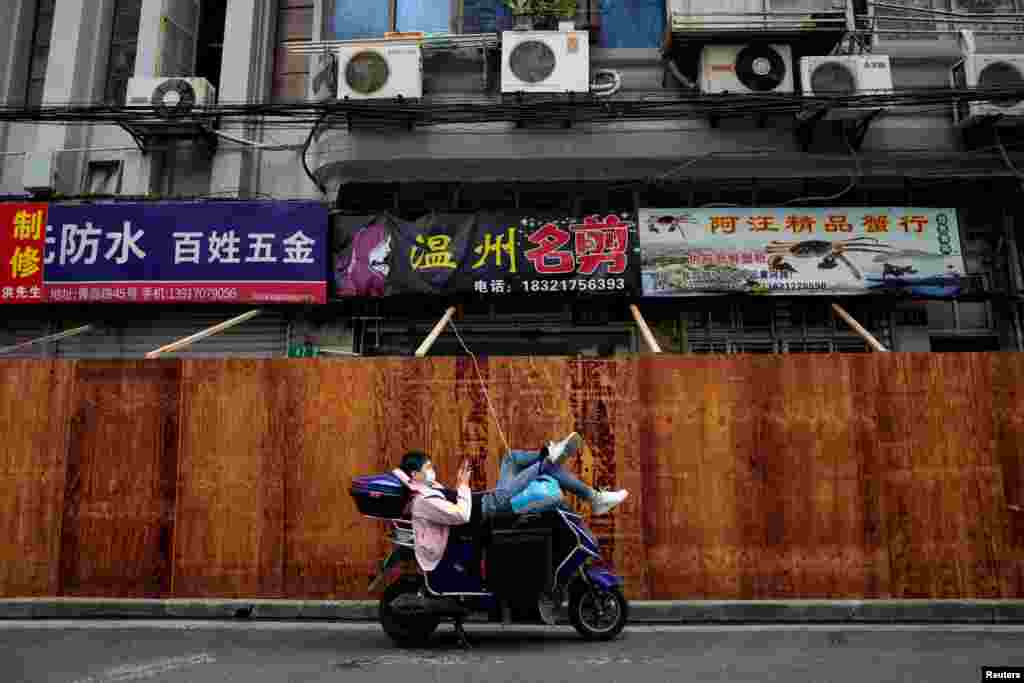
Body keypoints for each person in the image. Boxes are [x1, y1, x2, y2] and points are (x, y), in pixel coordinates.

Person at [393, 433, 628, 574]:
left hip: (488, 499)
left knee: (511, 459)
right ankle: (559, 466)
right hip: (489, 508)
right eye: (428, 468)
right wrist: (463, 485)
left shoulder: (425, 489)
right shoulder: (422, 500)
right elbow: (461, 515)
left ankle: (555, 462)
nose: (432, 471)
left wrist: (461, 487)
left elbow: (453, 501)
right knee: (544, 467)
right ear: (414, 475)